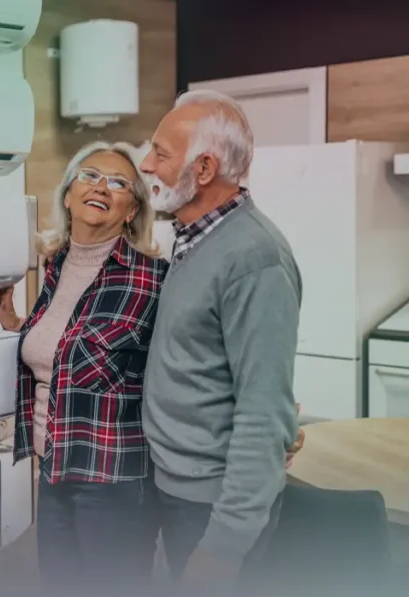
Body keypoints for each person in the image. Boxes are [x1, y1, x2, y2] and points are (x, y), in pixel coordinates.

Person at [138, 89, 301, 593]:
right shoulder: (192, 240)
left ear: (204, 169)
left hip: (212, 508)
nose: (146, 164)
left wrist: (224, 547)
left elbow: (262, 412)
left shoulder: (255, 259)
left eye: (161, 154)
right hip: (176, 490)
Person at [0, 140, 167, 594]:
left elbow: (181, 365)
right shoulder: (56, 265)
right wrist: (18, 326)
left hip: (113, 480)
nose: (101, 187)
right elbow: (73, 345)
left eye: (119, 182)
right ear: (68, 195)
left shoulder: (154, 278)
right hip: (54, 469)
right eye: (89, 175)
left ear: (132, 210)